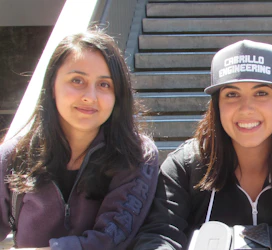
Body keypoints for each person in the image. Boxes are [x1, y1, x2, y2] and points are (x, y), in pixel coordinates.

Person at [129, 40, 272, 250]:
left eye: (261, 93)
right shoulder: (184, 167)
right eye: (231, 94)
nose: (246, 108)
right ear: (216, 106)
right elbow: (159, 235)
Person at [0, 29, 159, 249]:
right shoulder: (13, 157)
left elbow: (111, 238)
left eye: (104, 84)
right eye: (77, 80)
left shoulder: (137, 155)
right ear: (52, 86)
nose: (90, 96)